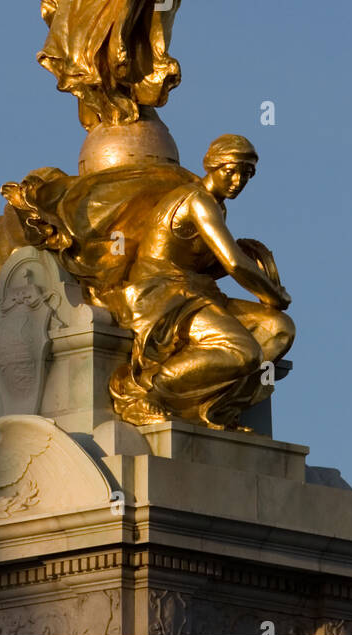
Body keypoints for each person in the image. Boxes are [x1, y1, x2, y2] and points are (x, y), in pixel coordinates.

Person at [108, 133, 295, 430]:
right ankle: (146, 390)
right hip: (162, 294)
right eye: (230, 171)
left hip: (196, 290)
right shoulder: (197, 200)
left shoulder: (217, 206)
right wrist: (274, 295)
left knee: (278, 330)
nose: (237, 181)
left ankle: (216, 407)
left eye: (246, 174)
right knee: (243, 351)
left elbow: (208, 263)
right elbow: (234, 263)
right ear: (211, 166)